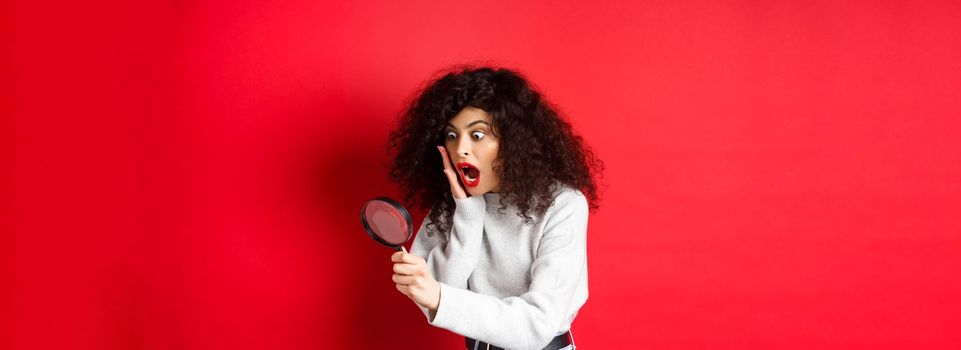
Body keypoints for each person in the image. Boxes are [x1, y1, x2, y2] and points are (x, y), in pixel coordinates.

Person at [386, 66, 602, 350]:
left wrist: (438, 297)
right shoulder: (453, 206)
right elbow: (438, 296)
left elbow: (537, 323)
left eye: (477, 135)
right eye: (452, 136)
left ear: (513, 142)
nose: (461, 148)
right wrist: (468, 210)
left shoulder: (563, 205)